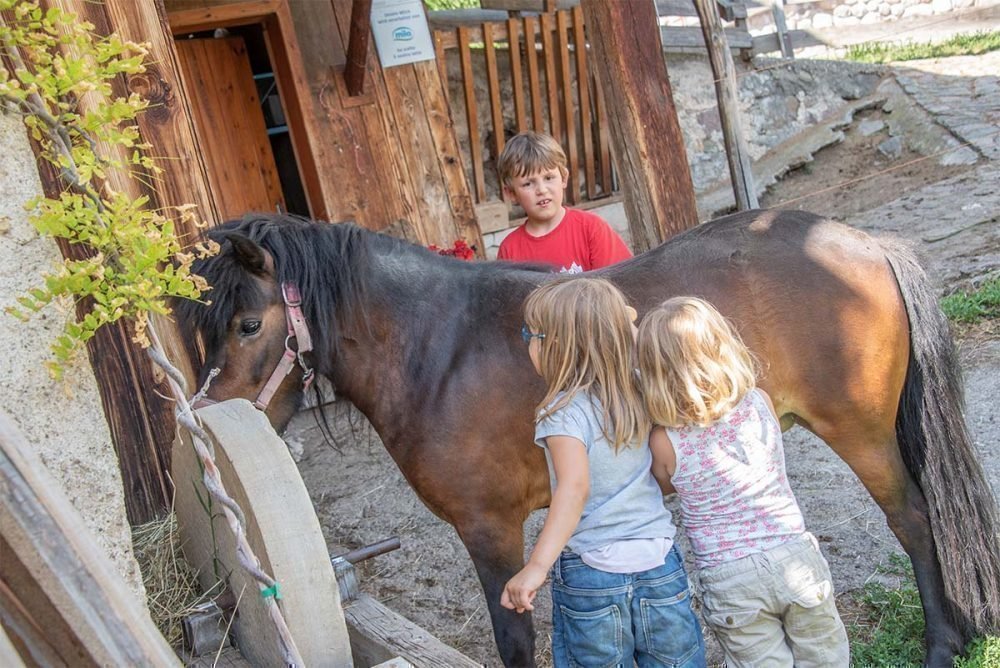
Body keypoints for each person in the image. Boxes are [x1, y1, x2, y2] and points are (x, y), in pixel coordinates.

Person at [501, 278, 706, 668]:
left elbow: (574, 488)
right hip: (658, 561)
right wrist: (617, 320)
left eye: (532, 334)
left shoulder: (564, 412)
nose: (528, 343)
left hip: (592, 572)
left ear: (555, 347)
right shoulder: (641, 391)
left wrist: (536, 567)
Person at [636, 296, 850, 668]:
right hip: (794, 555)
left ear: (654, 372)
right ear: (724, 347)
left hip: (729, 576)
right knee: (825, 658)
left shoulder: (664, 442)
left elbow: (666, 485)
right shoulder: (760, 402)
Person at [496, 131, 632, 273]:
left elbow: (620, 284)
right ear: (511, 193)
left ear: (564, 178)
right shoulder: (509, 251)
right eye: (528, 184)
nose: (541, 190)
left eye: (549, 178)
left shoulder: (591, 229)